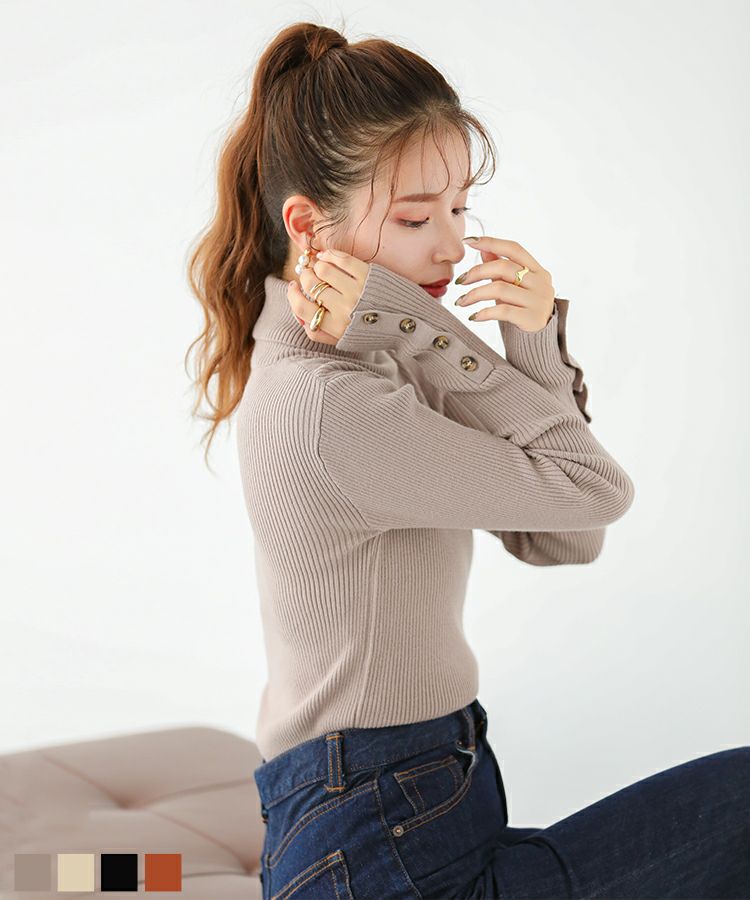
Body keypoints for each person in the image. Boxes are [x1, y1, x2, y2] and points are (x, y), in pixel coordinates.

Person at [185, 19, 750, 900]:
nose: (451, 247)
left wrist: (530, 344)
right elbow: (595, 488)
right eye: (416, 218)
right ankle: (72, 874)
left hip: (405, 821)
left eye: (459, 209)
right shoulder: (330, 406)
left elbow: (564, 536)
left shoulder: (378, 362)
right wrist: (426, 327)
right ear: (307, 226)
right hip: (377, 847)